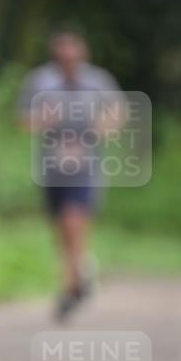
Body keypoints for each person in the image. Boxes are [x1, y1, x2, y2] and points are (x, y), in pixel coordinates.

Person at [18, 28, 124, 321]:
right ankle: (82, 271)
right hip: (52, 166)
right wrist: (42, 121)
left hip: (86, 165)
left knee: (74, 220)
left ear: (82, 55)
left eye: (73, 56)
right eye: (62, 57)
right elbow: (23, 119)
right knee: (62, 228)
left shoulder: (98, 82)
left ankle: (71, 287)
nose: (68, 62)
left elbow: (118, 113)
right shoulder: (40, 81)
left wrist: (98, 129)